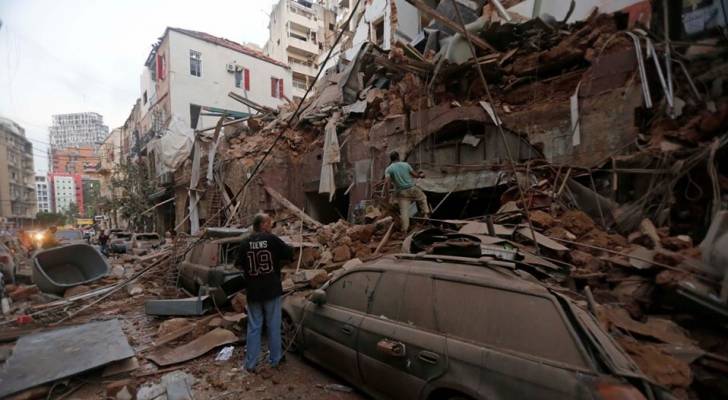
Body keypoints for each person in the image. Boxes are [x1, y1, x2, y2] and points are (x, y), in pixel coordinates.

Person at [236, 213, 293, 373]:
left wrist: (251, 274)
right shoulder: (272, 240)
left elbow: (238, 265)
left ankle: (251, 364)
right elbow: (289, 253)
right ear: (262, 225)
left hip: (253, 291)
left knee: (254, 327)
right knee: (273, 325)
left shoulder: (245, 243)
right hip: (272, 290)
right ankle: (275, 360)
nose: (271, 225)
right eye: (269, 222)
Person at [384, 151, 431, 231]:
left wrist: (387, 195)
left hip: (401, 193)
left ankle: (405, 230)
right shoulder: (405, 165)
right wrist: (421, 175)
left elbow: (386, 183)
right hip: (412, 189)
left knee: (404, 213)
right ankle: (426, 213)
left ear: (391, 159)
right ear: (398, 157)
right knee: (423, 198)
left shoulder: (389, 169)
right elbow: (415, 175)